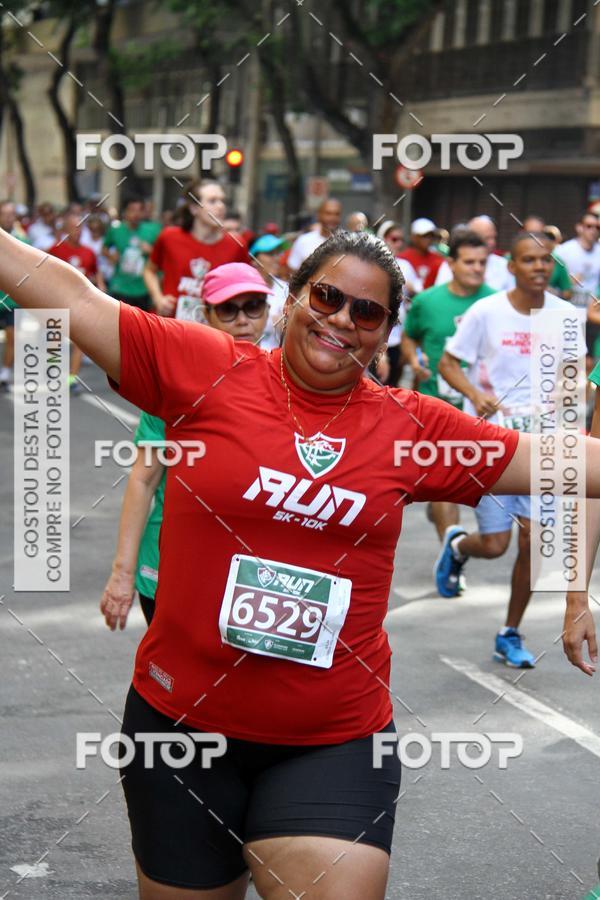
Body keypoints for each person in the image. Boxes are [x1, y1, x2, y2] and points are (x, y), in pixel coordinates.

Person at [3, 226, 599, 899]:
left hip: (332, 741)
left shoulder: (414, 429)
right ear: (293, 298)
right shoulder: (206, 368)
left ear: (382, 333)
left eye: (367, 311)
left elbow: (566, 462)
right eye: (327, 296)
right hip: (179, 731)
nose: (342, 318)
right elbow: (72, 295)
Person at [436, 232, 586, 667]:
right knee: (497, 544)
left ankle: (509, 631)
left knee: (532, 542)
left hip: (542, 444)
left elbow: (576, 371)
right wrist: (475, 396)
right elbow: (449, 363)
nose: (539, 267)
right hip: (493, 444)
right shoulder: (486, 311)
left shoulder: (565, 315)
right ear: (513, 267)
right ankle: (460, 546)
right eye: (529, 260)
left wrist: (567, 387)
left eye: (545, 260)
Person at [102, 262, 271, 629]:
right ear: (205, 314)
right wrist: (121, 573)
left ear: (268, 312)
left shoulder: (286, 386)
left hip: (248, 576)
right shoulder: (174, 382)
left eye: (253, 306)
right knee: (173, 680)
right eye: (228, 308)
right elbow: (143, 480)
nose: (243, 319)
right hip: (168, 567)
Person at [401, 230, 495, 541]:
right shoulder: (428, 301)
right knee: (444, 480)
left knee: (463, 484)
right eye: (469, 262)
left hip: (482, 409)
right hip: (436, 405)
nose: (477, 269)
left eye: (482, 263)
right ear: (451, 263)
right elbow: (409, 336)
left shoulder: (496, 303)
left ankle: (442, 518)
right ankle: (450, 553)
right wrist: (414, 361)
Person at [144, 179, 249, 321]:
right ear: (194, 208)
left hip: (213, 331)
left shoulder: (236, 244)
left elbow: (246, 288)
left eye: (222, 201)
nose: (221, 206)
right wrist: (158, 298)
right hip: (170, 325)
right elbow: (149, 270)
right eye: (212, 201)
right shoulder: (169, 237)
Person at [49, 211, 105, 393]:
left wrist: (101, 288)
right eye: (73, 227)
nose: (77, 231)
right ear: (65, 230)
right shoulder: (56, 249)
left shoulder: (89, 252)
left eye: (80, 227)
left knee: (79, 343)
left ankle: (71, 379)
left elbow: (96, 273)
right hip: (58, 302)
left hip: (82, 305)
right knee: (55, 342)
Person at [103, 197, 160, 311]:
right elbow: (104, 248)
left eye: (139, 210)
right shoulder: (116, 230)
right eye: (132, 210)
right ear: (125, 212)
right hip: (120, 287)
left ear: (144, 212)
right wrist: (111, 255)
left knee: (140, 326)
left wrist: (150, 250)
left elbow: (163, 255)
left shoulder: (153, 230)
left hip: (143, 288)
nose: (136, 214)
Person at [559, 211, 600, 365]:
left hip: (591, 315)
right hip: (569, 314)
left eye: (597, 227)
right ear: (579, 227)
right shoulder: (564, 251)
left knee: (588, 361)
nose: (593, 230)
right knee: (568, 361)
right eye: (589, 226)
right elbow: (552, 281)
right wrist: (567, 282)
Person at [436, 215, 515, 292]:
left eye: (494, 237)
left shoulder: (504, 265)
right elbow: (441, 294)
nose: (492, 242)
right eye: (487, 238)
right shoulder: (451, 264)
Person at [0, 200, 29, 391]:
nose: (9, 218)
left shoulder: (22, 240)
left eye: (12, 214)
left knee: (12, 337)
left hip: (12, 300)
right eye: (5, 214)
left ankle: (4, 374)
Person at [249, 234, 289, 349]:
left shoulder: (286, 288)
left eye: (278, 253)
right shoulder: (243, 288)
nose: (277, 258)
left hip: (275, 359)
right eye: (270, 254)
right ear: (254, 260)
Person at [286, 198, 342, 271]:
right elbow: (291, 272)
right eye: (328, 213)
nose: (332, 218)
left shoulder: (348, 243)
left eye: (336, 214)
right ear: (318, 215)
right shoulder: (303, 241)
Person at [397, 217, 444, 288]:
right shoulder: (401, 259)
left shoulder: (439, 259)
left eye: (431, 236)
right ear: (414, 237)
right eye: (424, 236)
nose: (428, 239)